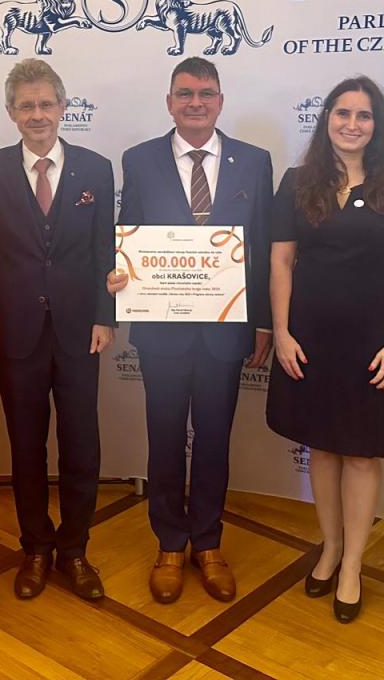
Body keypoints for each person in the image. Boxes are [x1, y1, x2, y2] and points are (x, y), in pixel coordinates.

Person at [110, 57, 273, 604]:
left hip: (227, 330)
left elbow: (263, 246)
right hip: (162, 330)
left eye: (205, 93)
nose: (195, 103)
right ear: (170, 102)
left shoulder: (255, 161)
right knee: (163, 438)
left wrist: (264, 322)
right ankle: (169, 544)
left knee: (214, 439)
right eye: (185, 94)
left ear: (221, 101)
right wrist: (121, 274)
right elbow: (129, 234)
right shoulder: (139, 159)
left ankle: (208, 541)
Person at [267, 76, 384, 624]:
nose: (351, 124)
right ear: (326, 119)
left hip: (372, 342)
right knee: (323, 448)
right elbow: (280, 261)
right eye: (342, 113)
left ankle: (353, 564)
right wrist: (281, 331)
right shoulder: (296, 183)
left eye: (363, 115)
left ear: (377, 125)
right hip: (309, 338)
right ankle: (330, 548)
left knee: (360, 453)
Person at [0, 59, 116, 602]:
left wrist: (105, 315)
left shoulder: (96, 168)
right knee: (26, 447)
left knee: (82, 445)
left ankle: (75, 550)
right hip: (18, 332)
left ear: (63, 107)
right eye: (26, 105)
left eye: (46, 104)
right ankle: (35, 547)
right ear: (11, 112)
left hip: (81, 331)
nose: (38, 114)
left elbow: (105, 246)